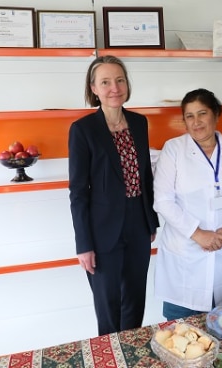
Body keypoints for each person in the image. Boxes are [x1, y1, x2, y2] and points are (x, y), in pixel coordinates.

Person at [68, 55, 159, 335]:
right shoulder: (83, 130)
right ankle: (109, 357)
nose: (114, 88)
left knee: (135, 299)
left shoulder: (139, 123)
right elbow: (78, 192)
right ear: (93, 88)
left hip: (138, 224)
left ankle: (130, 353)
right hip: (102, 230)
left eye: (119, 80)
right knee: (108, 304)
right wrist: (84, 244)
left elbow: (145, 175)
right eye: (105, 82)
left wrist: (150, 221)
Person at [153, 88, 222, 320]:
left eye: (202, 113)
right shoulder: (173, 150)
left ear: (216, 114)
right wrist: (198, 234)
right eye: (189, 116)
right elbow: (163, 200)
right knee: (184, 341)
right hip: (185, 260)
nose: (196, 122)